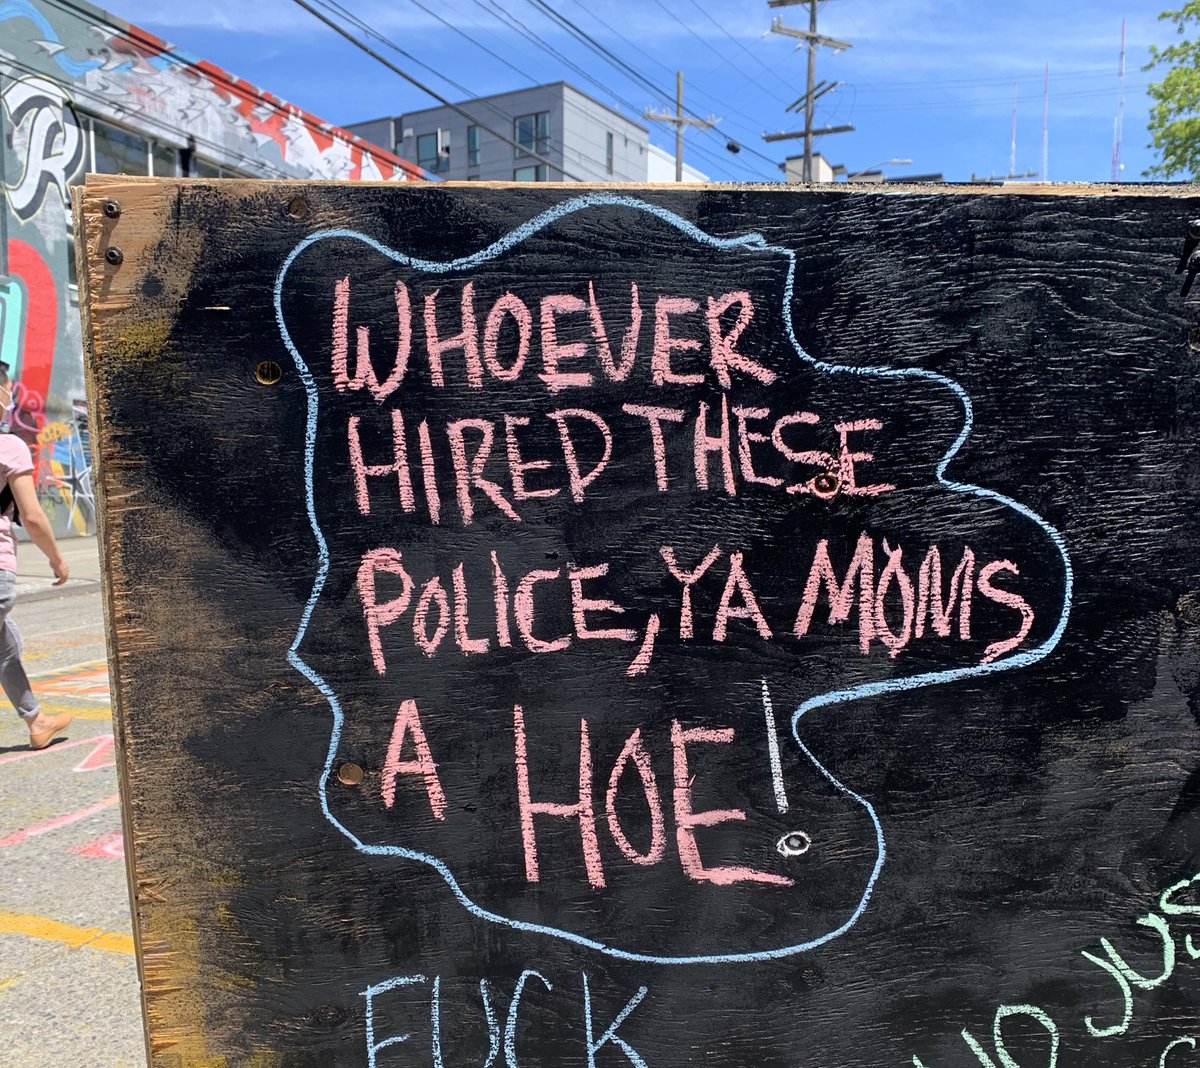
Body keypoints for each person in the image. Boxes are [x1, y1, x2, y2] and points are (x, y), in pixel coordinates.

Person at [0, 410, 71, 749]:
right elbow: (32, 515)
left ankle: (36, 721)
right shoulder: (9, 446)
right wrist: (57, 559)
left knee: (6, 645)